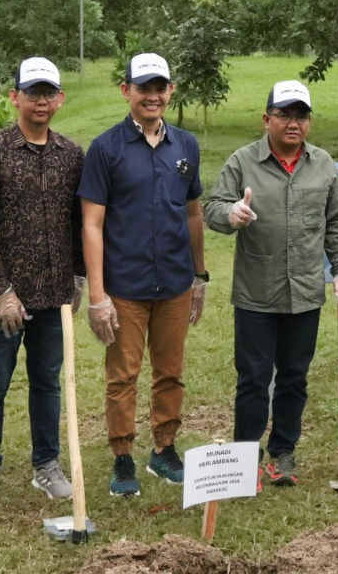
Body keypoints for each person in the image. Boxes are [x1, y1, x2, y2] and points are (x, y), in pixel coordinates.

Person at [204, 80, 338, 488]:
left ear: (309, 122)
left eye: (301, 116)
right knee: (253, 377)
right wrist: (231, 214)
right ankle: (245, 457)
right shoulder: (243, 161)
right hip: (256, 292)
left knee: (294, 376)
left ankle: (283, 452)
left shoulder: (322, 164)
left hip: (304, 293)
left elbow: (336, 222)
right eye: (284, 115)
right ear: (266, 119)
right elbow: (212, 206)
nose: (293, 123)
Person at [0, 57, 86, 509]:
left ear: (60, 99)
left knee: (47, 383)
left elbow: (78, 222)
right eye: (33, 93)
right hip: (2, 298)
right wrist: (1, 291)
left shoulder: (72, 155)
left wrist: (78, 277)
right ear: (15, 97)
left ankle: (46, 465)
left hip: (53, 296)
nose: (41, 102)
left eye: (49, 93)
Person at [77, 52, 207, 497]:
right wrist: (98, 295)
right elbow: (92, 224)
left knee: (170, 372)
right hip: (125, 286)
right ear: (126, 91)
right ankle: (123, 456)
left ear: (171, 91)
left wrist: (200, 276)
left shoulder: (186, 146)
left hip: (175, 283)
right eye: (143, 88)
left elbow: (193, 214)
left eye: (160, 88)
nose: (152, 96)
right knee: (123, 376)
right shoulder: (106, 149)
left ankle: (164, 449)